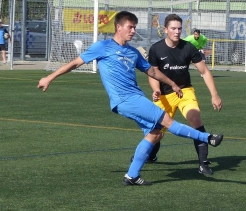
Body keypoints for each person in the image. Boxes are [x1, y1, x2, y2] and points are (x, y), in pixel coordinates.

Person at [37, 11, 224, 186]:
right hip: (126, 99)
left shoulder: (133, 52)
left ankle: (132, 175)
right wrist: (49, 77)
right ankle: (207, 137)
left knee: (154, 133)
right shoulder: (102, 47)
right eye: (130, 27)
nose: (133, 31)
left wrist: (173, 84)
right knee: (167, 121)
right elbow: (74, 63)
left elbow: (151, 71)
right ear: (119, 27)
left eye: (134, 27)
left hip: (135, 98)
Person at [132, 14, 223, 175]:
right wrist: (156, 90)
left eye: (179, 28)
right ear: (165, 30)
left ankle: (203, 164)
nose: (177, 31)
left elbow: (204, 71)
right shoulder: (156, 49)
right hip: (164, 96)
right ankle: (150, 154)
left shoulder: (188, 47)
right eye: (173, 28)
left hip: (184, 91)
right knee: (156, 133)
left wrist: (214, 95)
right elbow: (152, 73)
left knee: (195, 118)